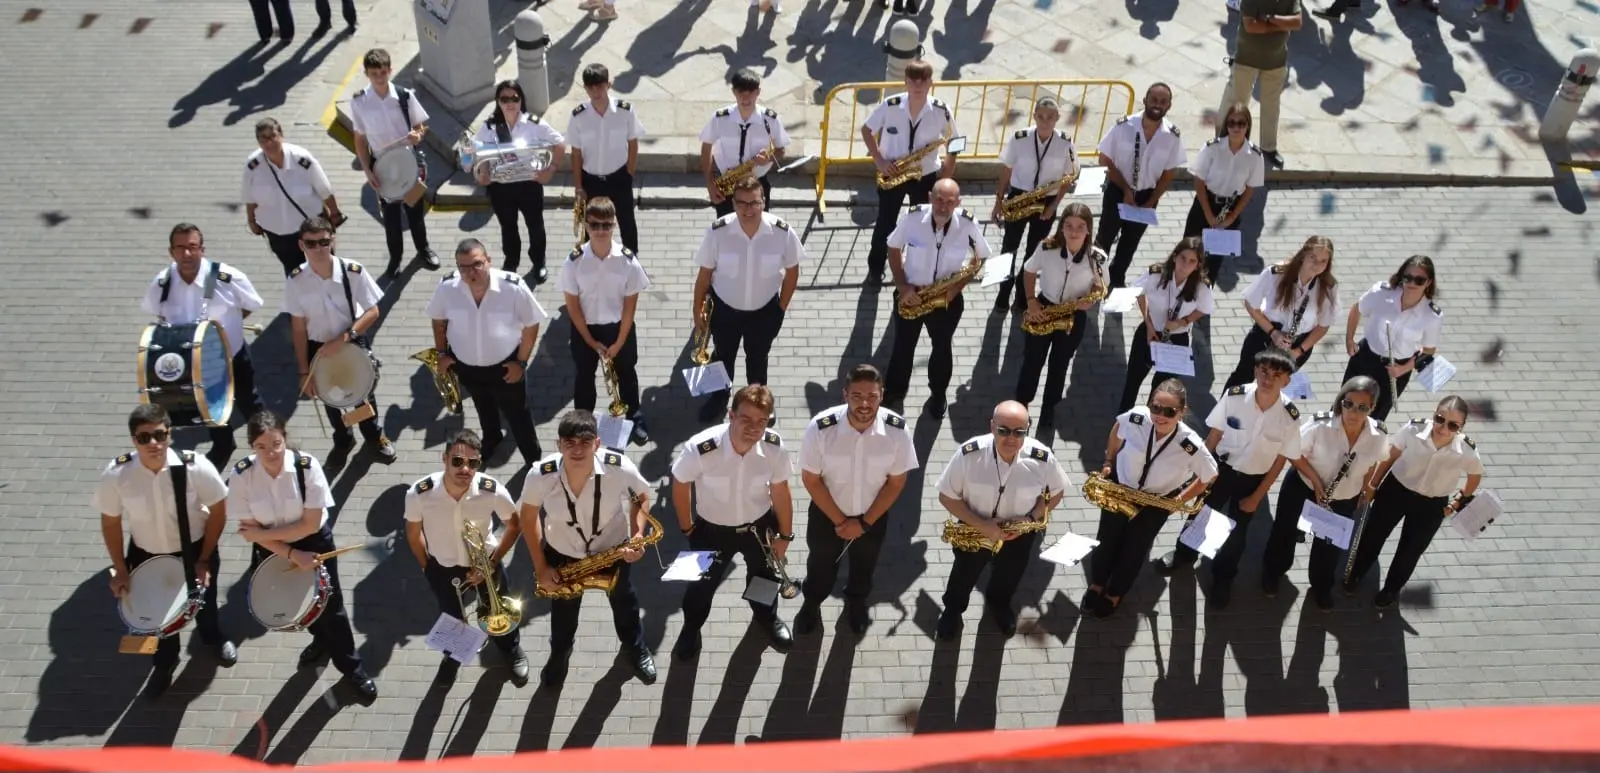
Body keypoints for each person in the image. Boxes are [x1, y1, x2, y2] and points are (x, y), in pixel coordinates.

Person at [227, 411, 376, 701]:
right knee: (298, 603)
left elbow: (307, 524)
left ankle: (351, 669)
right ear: (251, 447)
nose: (270, 452)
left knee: (332, 609)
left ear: (285, 438)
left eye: (276, 443)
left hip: (312, 542)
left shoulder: (307, 467)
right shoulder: (242, 475)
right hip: (277, 548)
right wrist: (291, 552)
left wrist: (260, 535)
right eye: (261, 446)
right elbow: (248, 532)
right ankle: (320, 639)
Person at [95, 404, 238, 698]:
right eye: (144, 437)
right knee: (158, 616)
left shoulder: (194, 466)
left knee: (205, 602)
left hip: (194, 549)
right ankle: (165, 663)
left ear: (170, 434)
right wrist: (121, 569)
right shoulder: (118, 473)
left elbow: (219, 512)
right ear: (133, 440)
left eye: (159, 435)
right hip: (146, 553)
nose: (153, 444)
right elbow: (110, 522)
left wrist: (204, 559)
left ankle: (212, 638)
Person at [1156, 348, 1302, 609]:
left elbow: (1281, 460)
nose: (1268, 379)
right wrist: (1198, 474)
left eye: (1276, 375)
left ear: (1287, 380)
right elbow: (1213, 436)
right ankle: (1184, 555)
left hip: (1253, 480)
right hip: (1220, 471)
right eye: (1264, 371)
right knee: (1199, 515)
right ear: (1256, 370)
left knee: (1237, 533)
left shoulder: (1289, 417)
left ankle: (1223, 577)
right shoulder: (1235, 397)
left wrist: (1257, 497)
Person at [520, 411, 656, 687]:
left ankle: (634, 646)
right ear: (558, 445)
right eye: (569, 443)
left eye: (585, 442)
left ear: (597, 443)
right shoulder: (540, 475)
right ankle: (560, 654)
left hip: (613, 550)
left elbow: (641, 497)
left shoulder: (619, 467)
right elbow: (527, 517)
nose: (577, 449)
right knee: (563, 613)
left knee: (624, 604)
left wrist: (638, 534)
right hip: (563, 555)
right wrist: (541, 567)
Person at [671, 386, 798, 658]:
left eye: (761, 421)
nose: (754, 428)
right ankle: (691, 628)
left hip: (759, 527)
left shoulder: (774, 447)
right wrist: (688, 528)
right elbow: (681, 484)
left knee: (764, 578)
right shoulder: (702, 448)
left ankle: (766, 618)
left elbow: (780, 492)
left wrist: (785, 537)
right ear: (731, 415)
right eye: (746, 419)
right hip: (710, 531)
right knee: (698, 588)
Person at [796, 364, 919, 635]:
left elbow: (897, 482)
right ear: (845, 395)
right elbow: (810, 479)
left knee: (864, 565)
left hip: (871, 515)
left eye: (872, 396)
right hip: (827, 515)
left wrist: (864, 523)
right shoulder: (821, 427)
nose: (865, 404)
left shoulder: (897, 430)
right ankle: (811, 603)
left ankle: (856, 603)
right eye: (857, 396)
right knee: (820, 564)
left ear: (882, 395)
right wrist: (842, 521)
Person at [934, 401, 1070, 640]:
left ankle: (999, 604)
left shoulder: (1042, 458)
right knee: (963, 574)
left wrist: (1030, 518)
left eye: (1019, 432)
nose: (1011, 438)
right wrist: (982, 525)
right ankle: (952, 611)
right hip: (975, 529)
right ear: (992, 426)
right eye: (1003, 430)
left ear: (1028, 429)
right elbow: (947, 496)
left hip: (1019, 533)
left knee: (1010, 574)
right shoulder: (969, 454)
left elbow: (1057, 491)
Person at [1082, 379, 1217, 618]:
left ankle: (1116, 592)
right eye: (1155, 407)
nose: (1160, 416)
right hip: (1120, 489)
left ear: (1182, 412)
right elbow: (1117, 429)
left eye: (1169, 411)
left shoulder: (1189, 443)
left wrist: (1178, 501)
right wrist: (1108, 462)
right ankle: (1097, 583)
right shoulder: (1137, 417)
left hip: (1155, 502)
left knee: (1134, 550)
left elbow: (1209, 474)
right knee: (1107, 538)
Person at [403, 430, 529, 685]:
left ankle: (510, 649)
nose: (465, 469)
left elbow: (514, 525)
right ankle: (454, 654)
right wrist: (428, 567)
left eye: (473, 463)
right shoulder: (420, 493)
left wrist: (492, 562)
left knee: (499, 610)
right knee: (451, 615)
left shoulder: (490, 490)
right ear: (445, 458)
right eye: (458, 461)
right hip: (444, 567)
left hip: (485, 563)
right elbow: (414, 534)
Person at [142, 222, 265, 469]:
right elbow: (156, 315)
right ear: (171, 252)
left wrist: (226, 328)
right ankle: (223, 444)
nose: (187, 254)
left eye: (192, 247)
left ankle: (265, 443)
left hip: (232, 356)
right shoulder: (162, 284)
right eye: (180, 248)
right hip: (194, 363)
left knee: (249, 402)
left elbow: (252, 303)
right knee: (207, 405)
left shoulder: (227, 278)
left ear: (202, 249)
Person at [1260, 377, 1389, 610]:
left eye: (1363, 407)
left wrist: (1366, 489)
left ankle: (1321, 587)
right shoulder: (1320, 425)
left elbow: (1374, 463)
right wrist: (1317, 482)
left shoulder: (1378, 435)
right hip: (1303, 487)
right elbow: (1294, 453)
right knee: (1284, 533)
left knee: (1329, 546)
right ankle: (1273, 573)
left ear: (1372, 408)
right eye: (1348, 404)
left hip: (1342, 497)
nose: (1353, 412)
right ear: (1341, 402)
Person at [1346, 397, 1484, 608]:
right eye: (1440, 419)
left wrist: (1457, 502)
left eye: (1452, 425)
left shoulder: (1466, 450)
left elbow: (1475, 476)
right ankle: (1356, 574)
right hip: (1396, 491)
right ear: (1434, 414)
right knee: (1373, 535)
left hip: (1432, 505)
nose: (1443, 428)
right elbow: (1389, 457)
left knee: (1410, 551)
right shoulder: (1413, 430)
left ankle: (1391, 589)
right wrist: (1372, 486)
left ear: (1461, 427)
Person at [690, 176, 805, 421]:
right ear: (733, 203)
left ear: (764, 202)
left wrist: (780, 309)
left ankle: (759, 403)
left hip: (764, 311)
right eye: (741, 204)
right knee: (722, 355)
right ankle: (719, 397)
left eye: (754, 203)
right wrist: (697, 311)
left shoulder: (781, 232)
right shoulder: (718, 232)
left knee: (758, 358)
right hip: (725, 310)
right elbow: (704, 276)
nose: (748, 210)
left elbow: (792, 273)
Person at [285, 217, 397, 465]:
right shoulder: (295, 280)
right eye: (311, 244)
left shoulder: (352, 271)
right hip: (317, 346)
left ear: (333, 240)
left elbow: (372, 311)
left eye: (323, 242)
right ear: (301, 245)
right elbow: (299, 328)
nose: (318, 249)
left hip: (351, 340)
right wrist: (304, 371)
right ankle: (343, 438)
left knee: (363, 391)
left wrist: (344, 338)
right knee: (329, 395)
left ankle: (374, 436)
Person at [426, 239, 547, 468]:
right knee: (483, 405)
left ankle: (533, 458)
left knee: (518, 413)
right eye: (463, 267)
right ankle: (492, 437)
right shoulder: (447, 288)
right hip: (467, 366)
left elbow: (532, 324)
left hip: (505, 366)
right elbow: (438, 320)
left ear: (488, 261)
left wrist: (521, 363)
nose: (471, 272)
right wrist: (441, 353)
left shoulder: (513, 287)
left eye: (477, 264)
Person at [884, 179, 993, 418]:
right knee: (902, 347)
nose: (943, 207)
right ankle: (894, 393)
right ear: (930, 197)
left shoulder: (967, 223)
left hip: (947, 299)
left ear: (958, 202)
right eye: (939, 200)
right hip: (911, 293)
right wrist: (902, 286)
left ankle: (938, 394)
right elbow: (893, 246)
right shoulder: (913, 218)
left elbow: (981, 256)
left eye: (949, 202)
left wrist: (957, 287)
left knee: (942, 348)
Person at [558, 197, 651, 445]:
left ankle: (635, 417)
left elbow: (630, 306)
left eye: (606, 225)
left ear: (615, 225)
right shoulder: (574, 261)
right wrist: (589, 340)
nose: (601, 231)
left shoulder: (627, 261)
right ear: (586, 226)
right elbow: (572, 306)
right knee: (584, 377)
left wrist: (619, 341)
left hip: (619, 328)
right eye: (595, 225)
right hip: (584, 329)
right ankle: (583, 423)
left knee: (626, 373)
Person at [1014, 203, 1109, 430]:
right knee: (1032, 361)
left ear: (1088, 230)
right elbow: (1028, 270)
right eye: (1068, 226)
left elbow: (1102, 286)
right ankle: (1022, 406)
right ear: (1062, 227)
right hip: (1044, 308)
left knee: (1059, 365)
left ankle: (1049, 408)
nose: (1074, 232)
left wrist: (1092, 299)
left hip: (1074, 314)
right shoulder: (1047, 247)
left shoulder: (1097, 257)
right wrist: (1031, 301)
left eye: (1080, 227)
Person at [861, 60, 954, 285]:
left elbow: (955, 141)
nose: (917, 85)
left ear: (931, 83)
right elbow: (866, 130)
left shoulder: (941, 110)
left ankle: (913, 269)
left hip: (925, 176)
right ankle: (875, 269)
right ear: (906, 82)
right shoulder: (890, 105)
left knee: (920, 225)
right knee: (885, 223)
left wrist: (948, 174)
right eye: (913, 80)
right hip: (893, 172)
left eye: (923, 80)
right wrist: (880, 161)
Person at [350, 48, 440, 279]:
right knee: (390, 220)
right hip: (382, 165)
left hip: (408, 162)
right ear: (367, 74)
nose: (379, 77)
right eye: (374, 73)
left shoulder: (404, 95)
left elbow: (421, 126)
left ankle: (423, 249)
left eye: (383, 71)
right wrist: (367, 170)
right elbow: (359, 138)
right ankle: (395, 259)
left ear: (390, 70)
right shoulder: (360, 102)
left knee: (415, 212)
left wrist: (417, 136)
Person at [990, 97, 1079, 312]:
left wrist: (1054, 205)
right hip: (1020, 197)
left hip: (1046, 200)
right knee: (1008, 249)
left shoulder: (1065, 142)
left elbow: (1069, 177)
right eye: (1041, 116)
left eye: (1050, 117)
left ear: (1057, 118)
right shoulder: (1019, 138)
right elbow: (1007, 170)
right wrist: (998, 201)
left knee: (1033, 253)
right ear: (1034, 116)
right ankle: (1002, 296)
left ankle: (1022, 298)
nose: (1045, 121)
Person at [1095, 83, 1187, 288]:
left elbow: (1168, 173)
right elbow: (1105, 160)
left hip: (1147, 196)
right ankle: (1094, 278)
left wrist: (1152, 201)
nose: (1157, 105)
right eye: (1154, 100)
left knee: (1130, 244)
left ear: (1169, 106)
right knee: (1104, 239)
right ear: (1145, 100)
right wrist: (1126, 189)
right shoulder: (1123, 126)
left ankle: (1116, 280)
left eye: (1163, 102)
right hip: (1118, 191)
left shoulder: (1172, 136)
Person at [475, 80, 565, 283]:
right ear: (498, 102)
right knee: (508, 227)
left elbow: (559, 143)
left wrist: (550, 170)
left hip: (528, 184)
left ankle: (539, 262)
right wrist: (482, 173)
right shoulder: (490, 126)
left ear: (521, 99)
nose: (510, 103)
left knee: (535, 225)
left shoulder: (533, 123)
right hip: (501, 187)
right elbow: (480, 153)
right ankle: (511, 261)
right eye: (504, 98)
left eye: (514, 98)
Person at [1224, 236, 1340, 389]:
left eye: (1323, 261)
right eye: (1313, 257)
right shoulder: (1277, 273)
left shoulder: (1328, 287)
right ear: (1303, 254)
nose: (1317, 265)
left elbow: (1323, 325)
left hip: (1297, 345)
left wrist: (1298, 351)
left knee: (1273, 386)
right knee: (1243, 376)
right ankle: (1224, 411)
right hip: (1265, 335)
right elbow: (1251, 303)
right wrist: (1273, 333)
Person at [1118, 238, 1215, 413]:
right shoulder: (1157, 273)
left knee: (1162, 388)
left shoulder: (1201, 286)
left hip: (1177, 339)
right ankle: (1122, 420)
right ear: (1175, 256)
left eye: (1192, 261)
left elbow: (1204, 309)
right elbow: (1137, 293)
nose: (1185, 265)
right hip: (1150, 332)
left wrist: (1183, 322)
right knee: (1133, 380)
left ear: (1198, 265)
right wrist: (1148, 324)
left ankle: (1150, 422)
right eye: (1183, 258)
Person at [1342, 255, 1444, 421]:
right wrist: (1349, 340)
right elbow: (1357, 309)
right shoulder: (1382, 292)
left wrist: (1403, 369)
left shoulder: (1431, 316)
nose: (1411, 284)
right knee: (1345, 406)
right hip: (1366, 357)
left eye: (1419, 280)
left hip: (1396, 369)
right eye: (1407, 278)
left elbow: (1428, 351)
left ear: (1429, 282)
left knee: (1374, 418)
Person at [243, 118, 344, 277]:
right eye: (263, 139)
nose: (269, 143)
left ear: (281, 135)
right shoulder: (253, 166)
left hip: (311, 231)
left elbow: (324, 189)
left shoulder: (301, 159)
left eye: (272, 136)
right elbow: (249, 198)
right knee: (296, 276)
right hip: (279, 235)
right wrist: (251, 221)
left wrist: (335, 213)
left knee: (327, 269)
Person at [567, 64, 646, 253]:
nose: (595, 91)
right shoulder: (578, 116)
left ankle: (631, 260)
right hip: (591, 180)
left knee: (627, 222)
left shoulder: (625, 110)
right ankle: (590, 260)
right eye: (590, 87)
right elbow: (576, 152)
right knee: (590, 226)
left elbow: (633, 143)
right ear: (585, 88)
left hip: (619, 177)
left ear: (608, 85)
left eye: (599, 85)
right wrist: (579, 187)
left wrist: (629, 174)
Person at [1184, 103, 1264, 282]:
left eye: (1241, 123)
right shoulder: (1212, 147)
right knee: (1189, 252)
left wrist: (1232, 217)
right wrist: (1208, 214)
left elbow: (1250, 189)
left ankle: (1203, 299)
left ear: (1248, 125)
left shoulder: (1255, 156)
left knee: (1214, 259)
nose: (1236, 127)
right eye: (1232, 123)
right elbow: (1199, 181)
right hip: (1206, 202)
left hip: (1230, 208)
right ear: (1226, 125)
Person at [1221, 0, 1301, 170]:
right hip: (1246, 58)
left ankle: (1268, 148)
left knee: (1272, 106)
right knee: (1238, 104)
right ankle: (1231, 144)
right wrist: (1281, 24)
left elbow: (1297, 22)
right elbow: (1251, 26)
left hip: (1276, 60)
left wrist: (1270, 19)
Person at [700, 68, 791, 217]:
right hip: (728, 183)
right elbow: (706, 148)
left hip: (757, 183)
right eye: (741, 91)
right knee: (726, 230)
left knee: (758, 229)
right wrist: (710, 184)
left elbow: (781, 150)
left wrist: (769, 158)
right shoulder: (720, 118)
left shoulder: (771, 120)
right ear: (733, 92)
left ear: (758, 92)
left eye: (751, 91)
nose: (746, 97)